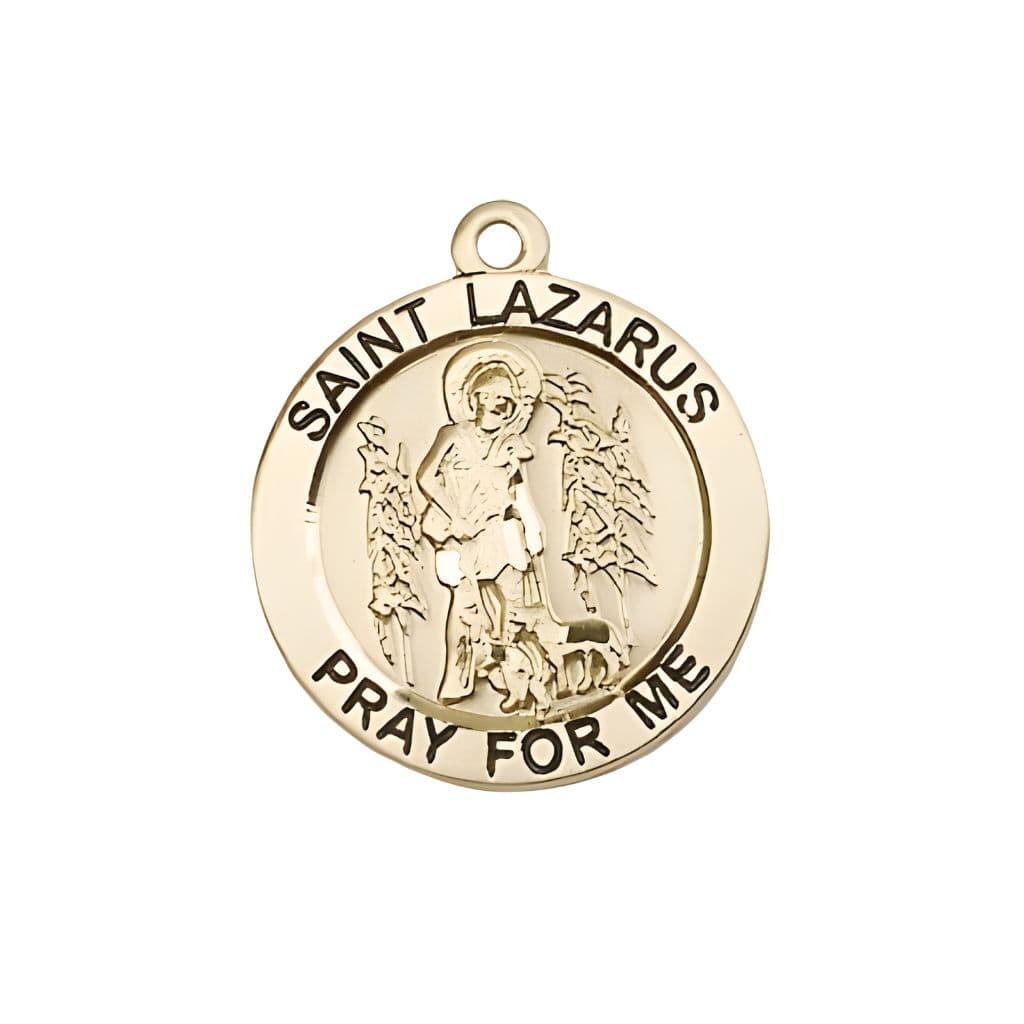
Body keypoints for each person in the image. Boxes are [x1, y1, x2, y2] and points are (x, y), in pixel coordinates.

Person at [416, 343, 551, 709]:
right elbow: (426, 478)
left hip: (497, 533)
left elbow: (517, 489)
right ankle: (459, 679)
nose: (498, 403)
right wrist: (455, 517)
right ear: (474, 398)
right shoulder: (453, 436)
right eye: (490, 396)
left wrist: (532, 527)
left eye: (506, 397)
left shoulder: (512, 443)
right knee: (465, 606)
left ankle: (513, 675)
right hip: (459, 537)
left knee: (513, 603)